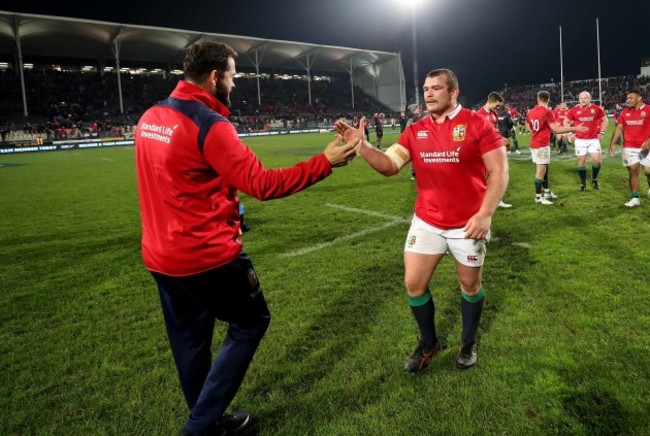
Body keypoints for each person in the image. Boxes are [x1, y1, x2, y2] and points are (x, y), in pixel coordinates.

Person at [135, 41, 357, 436]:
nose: (235, 84)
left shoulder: (151, 116)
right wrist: (326, 162)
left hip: (159, 257)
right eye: (234, 76)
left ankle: (212, 423)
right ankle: (199, 428)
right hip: (206, 257)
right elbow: (261, 184)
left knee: (190, 343)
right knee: (251, 321)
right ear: (215, 76)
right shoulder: (208, 124)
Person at [334, 68, 508, 373]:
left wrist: (485, 214)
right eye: (426, 89)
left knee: (469, 285)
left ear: (453, 92)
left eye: (436, 88)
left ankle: (468, 341)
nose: (428, 93)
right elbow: (390, 165)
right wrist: (362, 147)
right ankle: (429, 344)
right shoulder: (416, 130)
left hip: (467, 223)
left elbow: (499, 172)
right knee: (414, 284)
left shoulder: (476, 123)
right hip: (427, 220)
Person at [526, 91, 588, 205]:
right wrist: (575, 129)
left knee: (545, 169)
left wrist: (538, 131)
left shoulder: (531, 112)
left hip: (534, 143)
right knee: (540, 171)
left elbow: (528, 126)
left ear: (537, 99)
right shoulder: (547, 111)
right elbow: (556, 130)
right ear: (548, 99)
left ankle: (547, 192)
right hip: (541, 145)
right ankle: (538, 197)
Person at [608, 90, 650, 207]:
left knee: (648, 171)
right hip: (629, 147)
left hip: (646, 147)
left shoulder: (648, 110)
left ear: (639, 98)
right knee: (633, 170)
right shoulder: (624, 112)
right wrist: (612, 143)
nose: (628, 100)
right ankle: (635, 198)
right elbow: (619, 129)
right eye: (627, 98)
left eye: (631, 98)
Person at [564, 91, 609, 191]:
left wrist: (602, 133)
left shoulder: (597, 109)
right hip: (580, 140)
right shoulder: (574, 110)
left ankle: (594, 178)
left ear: (590, 99)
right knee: (581, 161)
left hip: (593, 139)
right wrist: (570, 133)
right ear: (579, 99)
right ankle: (583, 183)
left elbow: (605, 120)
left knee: (597, 161)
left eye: (585, 98)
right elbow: (565, 122)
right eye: (581, 98)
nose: (583, 100)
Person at [476, 91, 512, 208]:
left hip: (493, 149)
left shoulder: (494, 114)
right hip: (482, 150)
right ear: (490, 101)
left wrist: (502, 138)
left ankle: (496, 200)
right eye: (496, 105)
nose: (498, 108)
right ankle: (479, 200)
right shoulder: (479, 115)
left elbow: (495, 130)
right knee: (481, 176)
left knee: (496, 174)